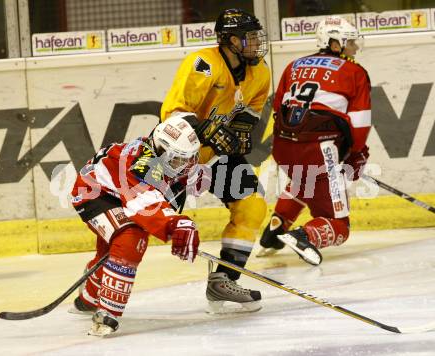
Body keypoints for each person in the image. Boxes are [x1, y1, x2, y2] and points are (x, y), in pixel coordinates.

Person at [161, 8, 270, 313]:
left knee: (252, 204)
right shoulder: (203, 64)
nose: (255, 43)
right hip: (175, 155)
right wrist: (208, 129)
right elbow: (172, 114)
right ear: (230, 40)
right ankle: (96, 290)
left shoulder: (260, 71)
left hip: (215, 157)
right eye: (249, 37)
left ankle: (223, 281)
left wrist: (241, 135)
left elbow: (249, 113)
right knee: (144, 221)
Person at [69, 113, 201, 336]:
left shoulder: (162, 156)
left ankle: (89, 297)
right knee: (131, 238)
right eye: (179, 159)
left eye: (189, 158)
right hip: (95, 194)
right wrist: (176, 223)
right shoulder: (140, 163)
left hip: (121, 194)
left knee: (114, 250)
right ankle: (107, 313)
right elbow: (144, 203)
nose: (186, 166)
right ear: (162, 151)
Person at [257, 16, 371, 265]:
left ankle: (276, 227)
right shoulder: (354, 72)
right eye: (350, 42)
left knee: (304, 179)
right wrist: (355, 152)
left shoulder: (294, 65)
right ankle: (304, 235)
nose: (355, 48)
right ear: (334, 43)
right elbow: (360, 123)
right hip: (320, 148)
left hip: (284, 146)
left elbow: (278, 109)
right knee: (339, 225)